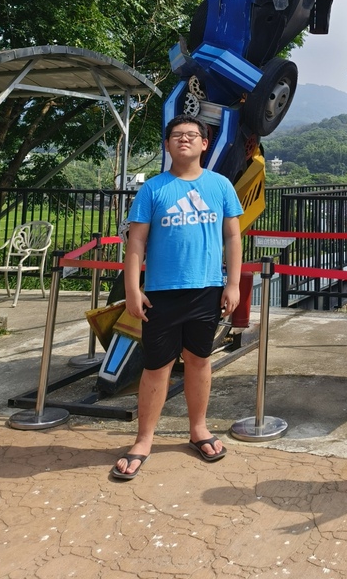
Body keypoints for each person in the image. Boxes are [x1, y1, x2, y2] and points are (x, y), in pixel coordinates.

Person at [111, 115, 243, 480]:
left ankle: (198, 429)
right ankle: (143, 439)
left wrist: (232, 284)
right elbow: (135, 241)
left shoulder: (220, 186)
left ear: (204, 144)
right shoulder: (153, 189)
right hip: (160, 293)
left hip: (206, 289)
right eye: (176, 135)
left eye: (191, 135)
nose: (183, 140)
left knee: (199, 360)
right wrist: (133, 290)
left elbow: (233, 238)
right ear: (167, 145)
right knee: (156, 366)